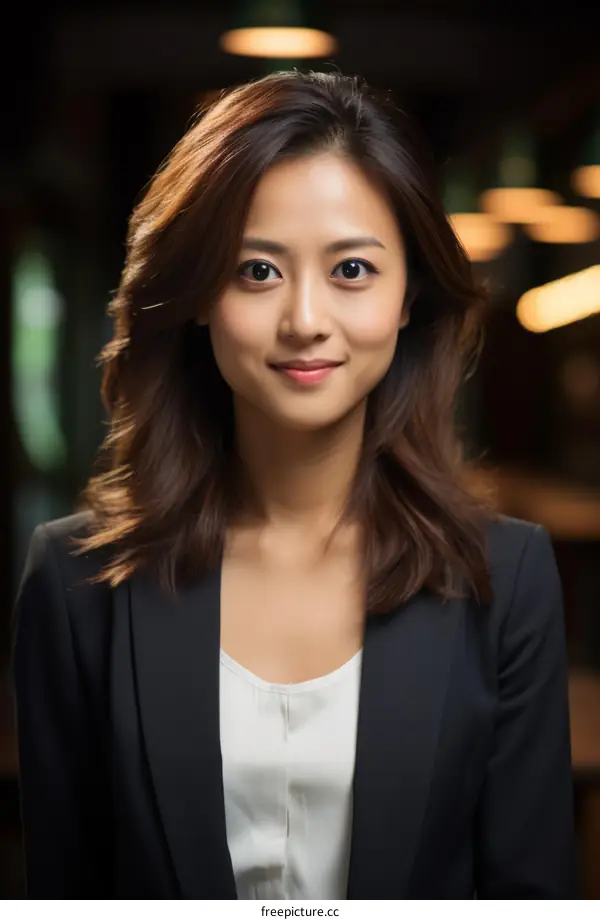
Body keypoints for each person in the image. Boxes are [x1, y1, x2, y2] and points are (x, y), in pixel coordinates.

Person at [11, 69, 576, 899]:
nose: (306, 318)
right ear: (198, 293)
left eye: (352, 269)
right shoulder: (74, 583)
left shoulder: (507, 578)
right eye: (257, 272)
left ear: (408, 294)